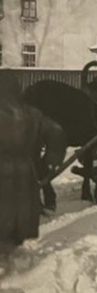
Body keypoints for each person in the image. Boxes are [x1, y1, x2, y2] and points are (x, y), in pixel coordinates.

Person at [0, 71, 67, 259]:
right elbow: (57, 132)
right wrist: (52, 158)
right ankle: (10, 248)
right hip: (24, 171)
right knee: (18, 211)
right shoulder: (32, 113)